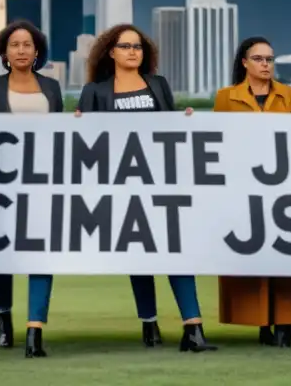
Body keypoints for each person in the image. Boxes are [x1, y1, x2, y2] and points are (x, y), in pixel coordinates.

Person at [76, 24, 216, 353]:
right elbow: (86, 143)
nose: (132, 52)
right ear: (111, 52)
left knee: (176, 253)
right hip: (120, 186)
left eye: (137, 46)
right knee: (138, 257)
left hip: (161, 184)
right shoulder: (95, 91)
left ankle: (193, 327)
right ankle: (149, 322)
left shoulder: (158, 85)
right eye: (125, 46)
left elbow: (171, 129)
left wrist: (188, 120)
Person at [212, 36, 291, 348]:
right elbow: (215, 141)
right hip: (246, 192)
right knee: (255, 261)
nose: (266, 64)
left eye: (269, 59)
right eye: (259, 59)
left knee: (287, 259)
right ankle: (261, 323)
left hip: (286, 191)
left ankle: (285, 326)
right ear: (245, 63)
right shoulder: (226, 98)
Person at [0, 20, 64, 358]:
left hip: (43, 182)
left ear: (37, 51)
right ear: (4, 52)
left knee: (42, 252)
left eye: (27, 44)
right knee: (1, 254)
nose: (22, 50)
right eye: (15, 45)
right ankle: (3, 317)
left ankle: (34, 330)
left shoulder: (52, 88)